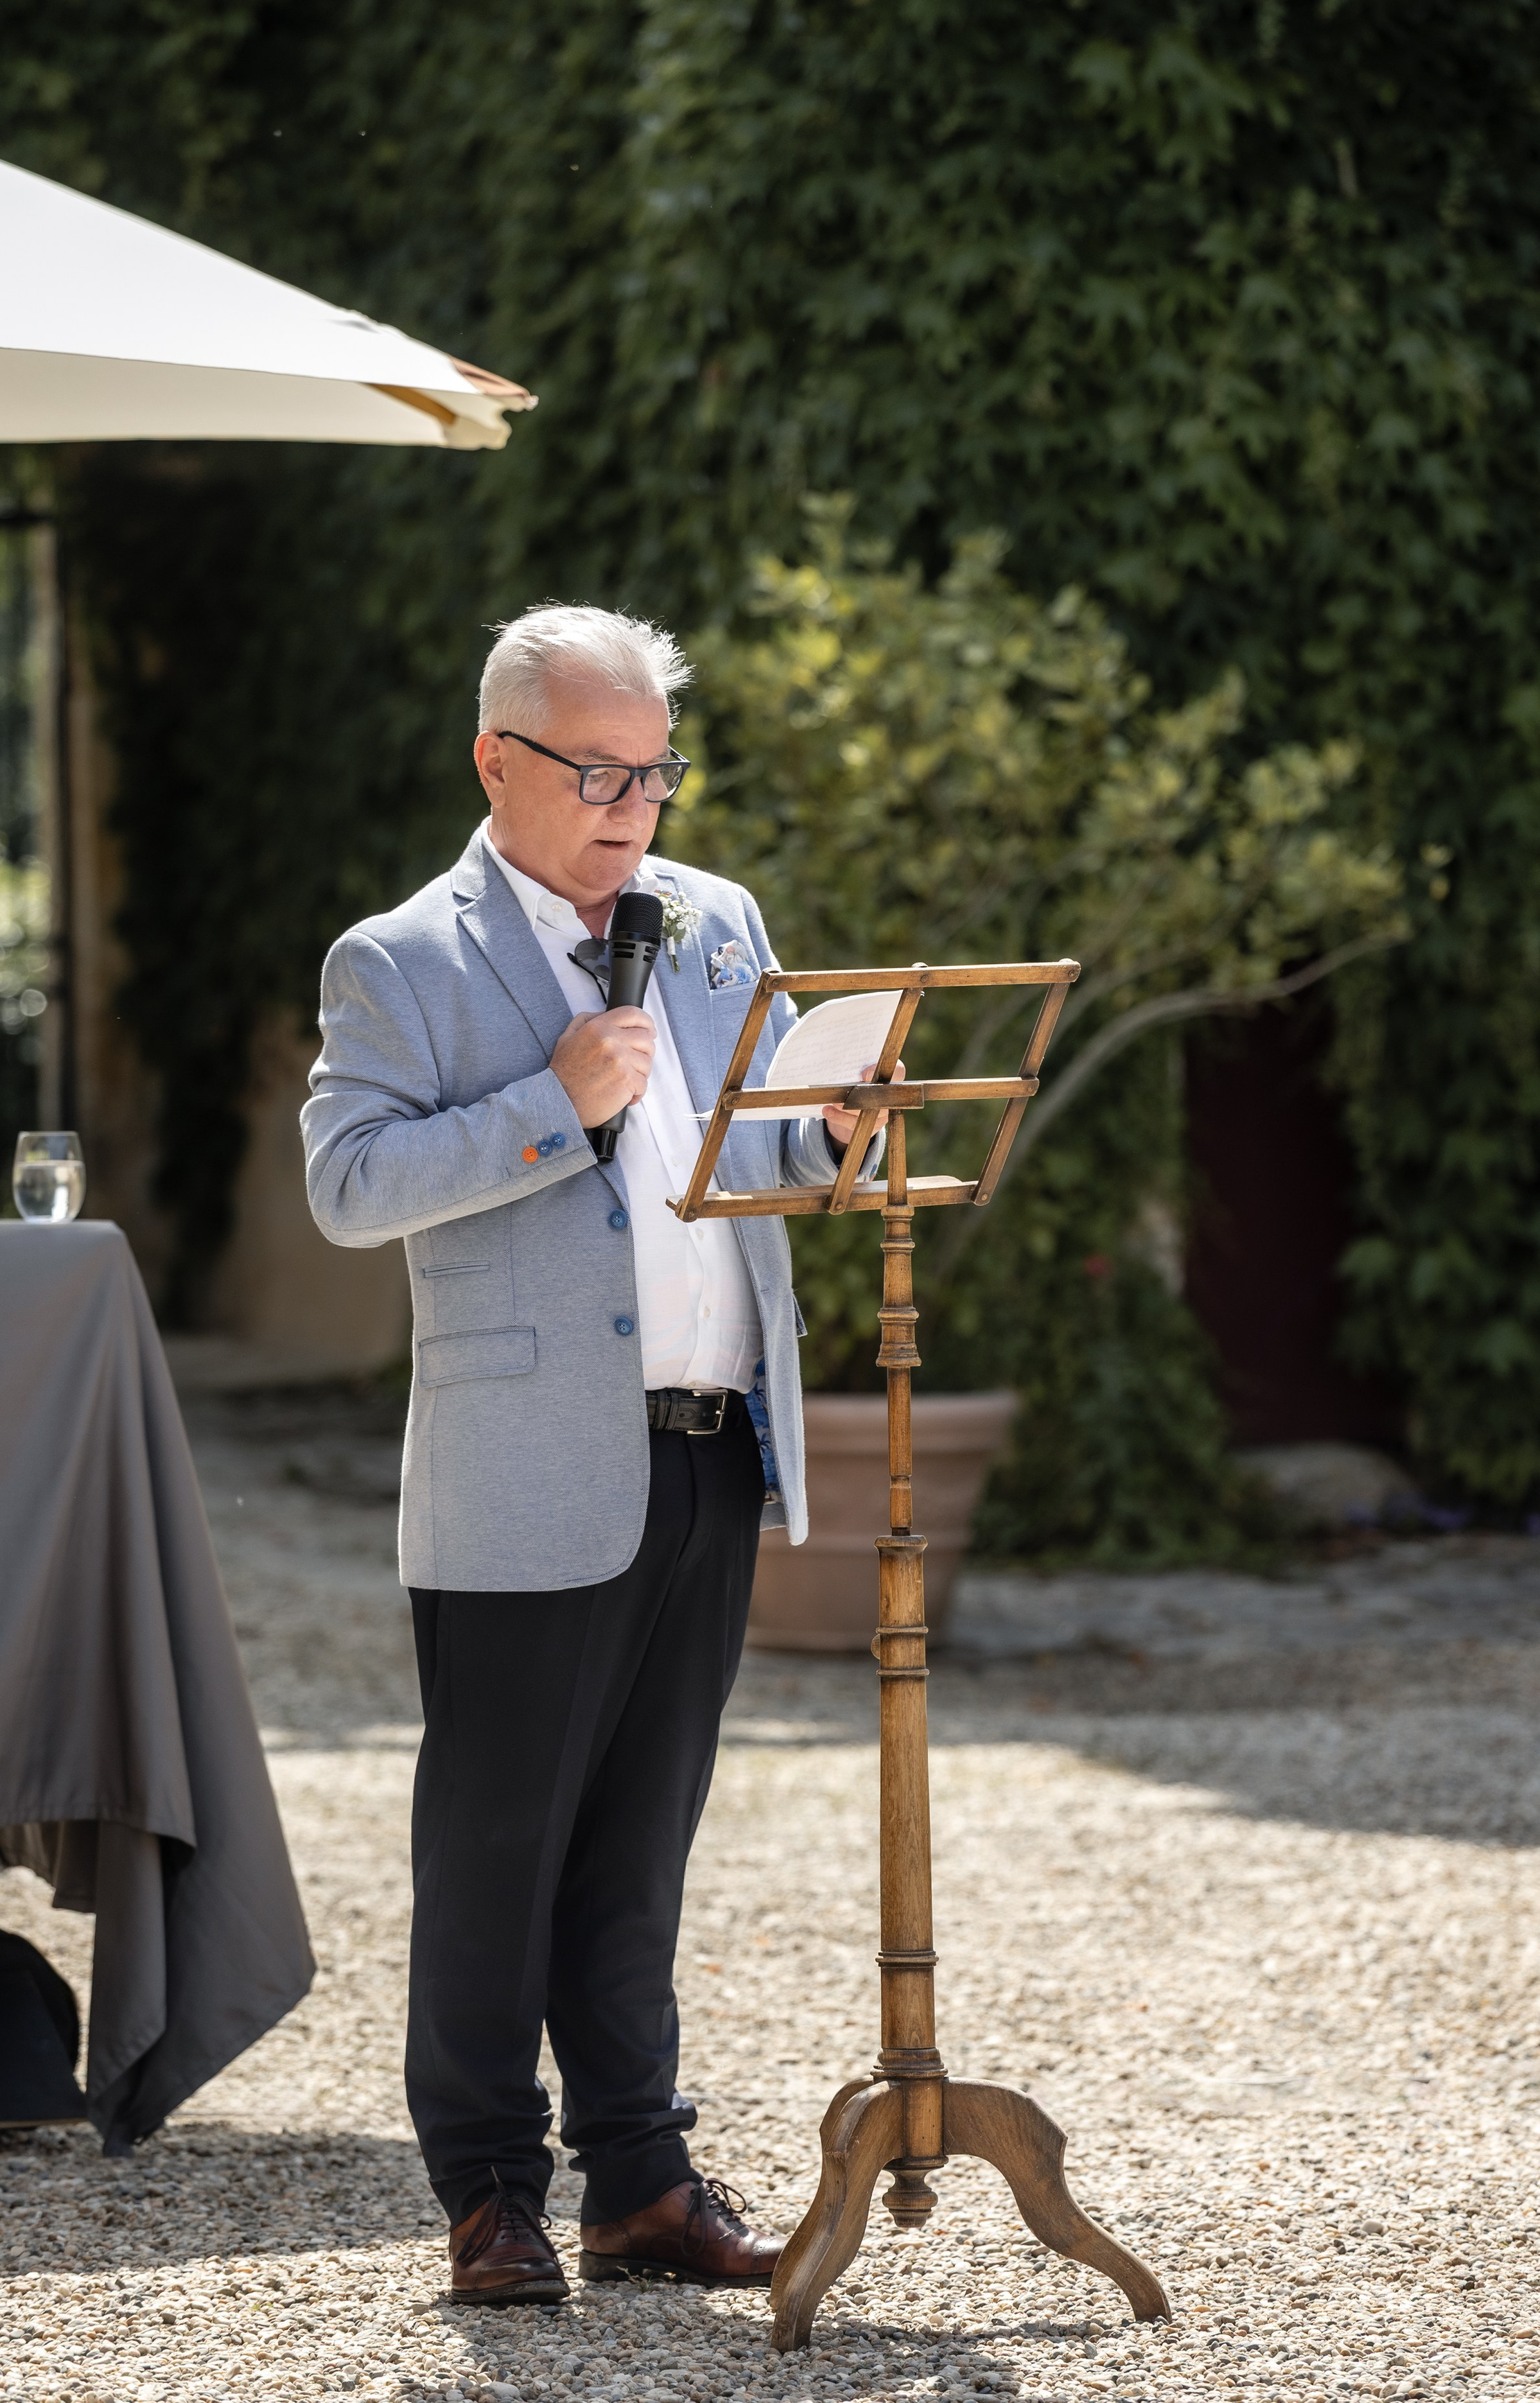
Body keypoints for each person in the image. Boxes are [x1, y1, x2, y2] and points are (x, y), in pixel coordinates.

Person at [301, 604, 886, 2306]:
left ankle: (640, 2182)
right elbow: (348, 1188)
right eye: (598, 773)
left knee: (639, 1851)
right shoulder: (398, 959)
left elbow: (749, 1150)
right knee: (496, 1853)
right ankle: (489, 2195)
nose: (635, 807)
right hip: (522, 1469)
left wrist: (830, 1132)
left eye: (656, 772)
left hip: (709, 1449)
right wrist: (553, 1105)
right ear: (496, 761)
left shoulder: (715, 923)